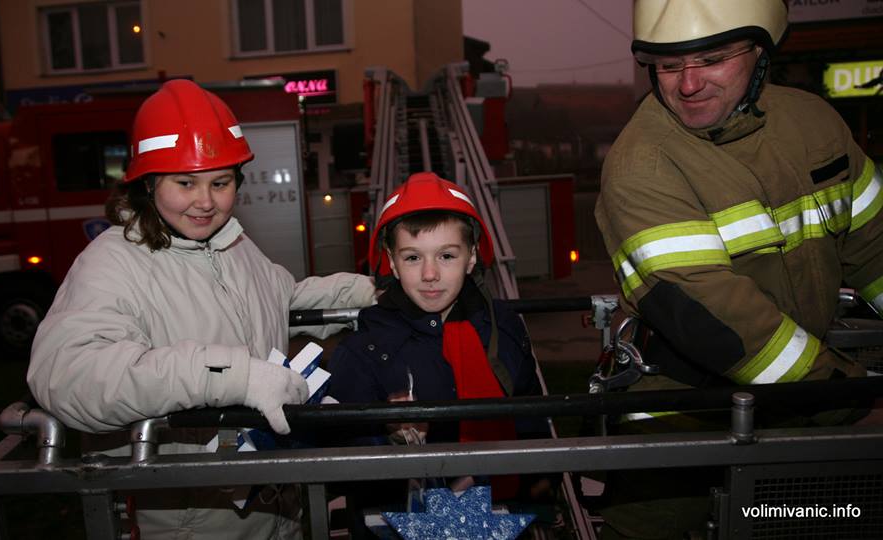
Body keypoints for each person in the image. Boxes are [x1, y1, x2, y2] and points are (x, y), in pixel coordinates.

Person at [26, 79, 375, 539]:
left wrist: (376, 293)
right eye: (185, 182)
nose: (205, 201)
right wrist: (231, 376)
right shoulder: (113, 262)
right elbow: (69, 375)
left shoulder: (235, 246)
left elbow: (282, 299)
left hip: (274, 516)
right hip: (191, 521)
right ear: (148, 182)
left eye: (220, 183)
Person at [594, 1, 881, 537]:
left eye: (713, 59)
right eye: (668, 65)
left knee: (798, 522)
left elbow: (874, 246)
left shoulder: (814, 123)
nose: (688, 85)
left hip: (802, 398)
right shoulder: (642, 164)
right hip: (684, 419)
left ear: (760, 52)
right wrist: (849, 398)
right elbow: (718, 322)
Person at [326, 172, 550, 537]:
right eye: (413, 257)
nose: (430, 274)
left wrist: (540, 482)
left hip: (504, 517)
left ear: (472, 256)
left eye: (446, 255)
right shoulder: (363, 350)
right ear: (392, 262)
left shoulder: (503, 329)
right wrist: (387, 438)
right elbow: (337, 460)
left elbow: (531, 415)